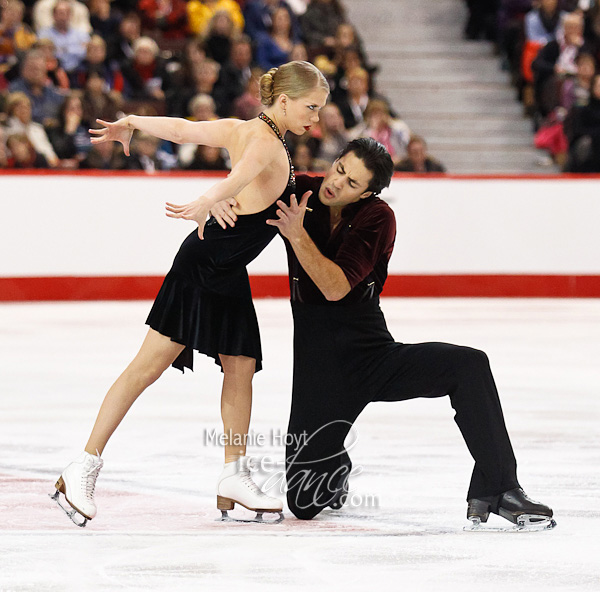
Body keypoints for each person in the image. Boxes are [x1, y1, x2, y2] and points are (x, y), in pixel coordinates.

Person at [52, 60, 329, 526]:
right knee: (146, 368)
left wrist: (136, 122)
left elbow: (182, 131)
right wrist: (209, 198)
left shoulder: (249, 128)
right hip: (202, 268)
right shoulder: (262, 142)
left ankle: (233, 476)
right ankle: (82, 465)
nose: (316, 118)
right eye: (311, 107)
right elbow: (242, 173)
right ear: (284, 100)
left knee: (241, 365)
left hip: (225, 269)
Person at [261, 138, 554, 529]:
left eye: (352, 183)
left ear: (368, 192)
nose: (337, 183)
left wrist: (297, 236)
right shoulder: (305, 193)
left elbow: (334, 287)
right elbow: (252, 174)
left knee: (469, 365)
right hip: (318, 371)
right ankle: (336, 461)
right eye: (340, 169)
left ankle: (499, 488)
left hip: (371, 355)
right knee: (304, 502)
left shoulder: (378, 218)